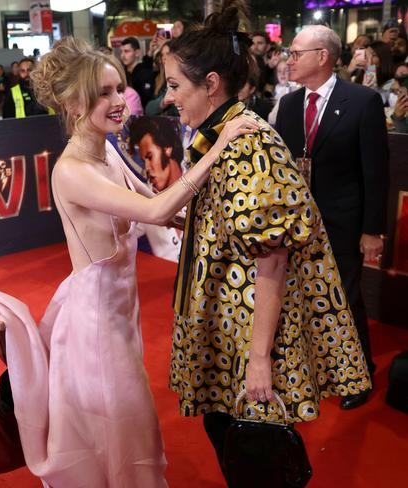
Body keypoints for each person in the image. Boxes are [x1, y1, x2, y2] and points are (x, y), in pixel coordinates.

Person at [27, 35, 258, 487]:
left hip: (119, 309)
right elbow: (154, 210)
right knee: (126, 422)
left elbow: (156, 203)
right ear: (75, 103)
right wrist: (218, 146)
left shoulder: (108, 149)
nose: (119, 102)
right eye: (104, 94)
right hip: (95, 320)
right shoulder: (71, 170)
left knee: (119, 424)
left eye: (119, 89)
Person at [165, 1, 372, 481]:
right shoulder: (223, 133)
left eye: (176, 85)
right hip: (228, 321)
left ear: (211, 83)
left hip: (247, 330)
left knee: (252, 451)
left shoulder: (246, 142)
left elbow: (273, 257)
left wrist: (259, 359)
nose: (169, 97)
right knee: (229, 435)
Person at [275, 23, 387, 410]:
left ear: (322, 57)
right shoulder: (289, 105)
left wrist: (372, 230)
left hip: (343, 222)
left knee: (345, 298)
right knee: (302, 297)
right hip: (298, 223)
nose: (288, 60)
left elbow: (375, 173)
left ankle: (360, 373)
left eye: (295, 53)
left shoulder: (362, 101)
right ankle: (317, 365)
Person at [128, 116, 183, 192]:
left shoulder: (196, 171)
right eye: (144, 161)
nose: (147, 168)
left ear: (167, 148)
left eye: (150, 157)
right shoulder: (147, 195)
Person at [120, 36, 156, 107]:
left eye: (127, 51)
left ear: (137, 53)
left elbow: (146, 101)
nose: (123, 55)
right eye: (121, 51)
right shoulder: (122, 73)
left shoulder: (144, 74)